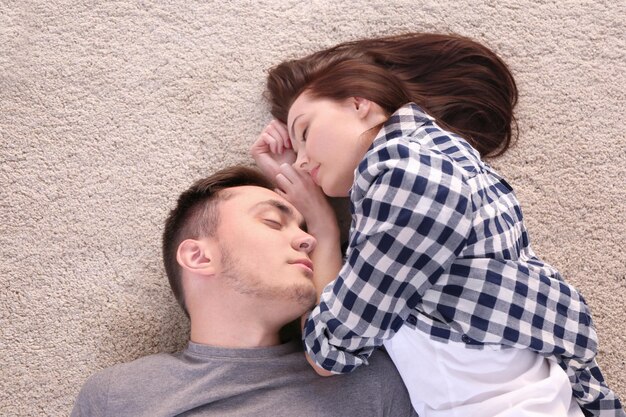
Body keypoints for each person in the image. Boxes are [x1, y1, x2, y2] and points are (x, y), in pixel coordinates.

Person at [250, 32, 625, 417]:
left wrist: (321, 226)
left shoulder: (410, 179)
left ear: (359, 103)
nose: (300, 161)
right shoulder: (428, 161)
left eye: (305, 132)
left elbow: (329, 351)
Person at [71, 166, 417, 417]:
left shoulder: (371, 380)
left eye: (304, 228)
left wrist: (325, 228)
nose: (306, 239)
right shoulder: (118, 396)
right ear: (199, 256)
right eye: (271, 222)